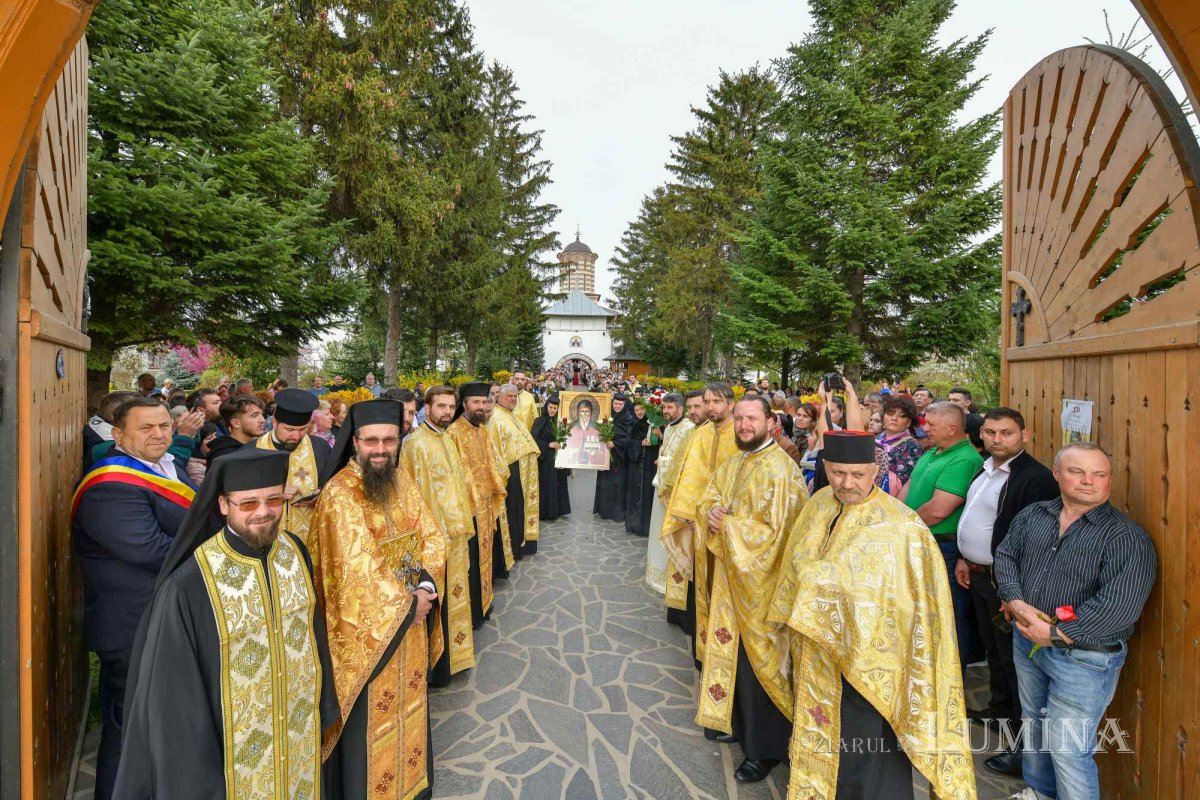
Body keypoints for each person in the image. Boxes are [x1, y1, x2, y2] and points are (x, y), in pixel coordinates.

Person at [113, 448, 339, 799]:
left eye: (274, 500)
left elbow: (313, 632)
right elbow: (173, 694)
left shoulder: (294, 550)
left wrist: (324, 704)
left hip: (297, 735)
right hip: (226, 756)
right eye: (248, 504)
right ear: (223, 505)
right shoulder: (190, 582)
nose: (264, 512)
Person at [768, 431, 977, 800]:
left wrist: (827, 586)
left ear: (874, 471)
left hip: (870, 662)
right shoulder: (818, 504)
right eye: (837, 473)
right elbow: (795, 561)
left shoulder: (902, 526)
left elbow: (912, 605)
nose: (846, 484)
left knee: (867, 750)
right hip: (817, 653)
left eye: (857, 475)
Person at [995, 442, 1156, 800]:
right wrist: (1017, 601)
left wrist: (1054, 632)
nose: (1089, 481)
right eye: (1077, 471)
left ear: (1109, 482)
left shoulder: (1126, 538)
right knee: (1034, 726)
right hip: (1028, 641)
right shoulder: (1034, 514)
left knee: (1069, 749)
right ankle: (1039, 793)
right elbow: (1006, 556)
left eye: (1099, 475)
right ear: (1056, 474)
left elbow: (1119, 607)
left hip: (1084, 658)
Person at [309, 400, 446, 800]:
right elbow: (356, 568)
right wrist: (409, 606)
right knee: (373, 718)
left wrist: (424, 588)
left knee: (411, 705)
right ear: (355, 441)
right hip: (368, 635)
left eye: (389, 440)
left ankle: (411, 786)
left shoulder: (402, 480)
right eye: (372, 441)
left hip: (412, 619)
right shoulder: (339, 494)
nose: (381, 449)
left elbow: (432, 536)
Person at [71, 396, 198, 800]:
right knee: (128, 733)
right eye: (146, 428)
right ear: (119, 434)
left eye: (164, 426)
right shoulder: (108, 486)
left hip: (165, 620)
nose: (159, 434)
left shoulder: (169, 466)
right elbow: (155, 552)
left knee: (161, 726)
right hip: (133, 627)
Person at [695, 396, 808, 782]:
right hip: (732, 581)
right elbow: (711, 494)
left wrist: (728, 526)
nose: (744, 425)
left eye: (751, 418)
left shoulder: (783, 472)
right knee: (737, 659)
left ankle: (765, 750)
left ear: (770, 421)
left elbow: (778, 540)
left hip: (765, 587)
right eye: (740, 418)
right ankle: (740, 727)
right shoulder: (738, 460)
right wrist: (709, 512)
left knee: (761, 665)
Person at [953, 407, 1060, 777]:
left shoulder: (1035, 478)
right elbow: (975, 516)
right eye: (992, 432)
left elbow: (1034, 541)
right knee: (995, 654)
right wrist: (966, 557)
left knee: (1017, 666)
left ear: (1024, 436)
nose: (998, 439)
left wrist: (1012, 590)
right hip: (980, 575)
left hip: (1007, 585)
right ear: (981, 433)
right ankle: (999, 713)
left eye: (1007, 433)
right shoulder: (985, 467)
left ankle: (1022, 748)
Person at [401, 386, 481, 685]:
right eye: (441, 406)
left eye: (451, 406)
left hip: (457, 532)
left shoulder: (446, 439)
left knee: (455, 597)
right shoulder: (416, 445)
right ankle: (436, 669)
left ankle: (455, 658)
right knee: (438, 599)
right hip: (434, 538)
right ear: (427, 407)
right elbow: (412, 496)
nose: (447, 411)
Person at [900, 401, 983, 666]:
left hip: (942, 548)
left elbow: (938, 510)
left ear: (952, 428)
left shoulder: (965, 459)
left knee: (950, 615)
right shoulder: (933, 452)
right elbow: (909, 486)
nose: (925, 430)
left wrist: (898, 526)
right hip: (919, 539)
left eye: (932, 425)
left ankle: (953, 676)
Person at [660, 382, 737, 666]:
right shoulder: (701, 433)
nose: (711, 407)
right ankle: (702, 646)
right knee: (701, 583)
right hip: (698, 521)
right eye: (708, 402)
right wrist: (688, 514)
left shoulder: (739, 436)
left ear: (730, 403)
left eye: (716, 402)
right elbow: (688, 475)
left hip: (727, 527)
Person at [447, 382, 509, 625]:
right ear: (464, 404)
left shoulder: (483, 430)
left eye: (485, 402)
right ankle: (473, 612)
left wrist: (496, 487)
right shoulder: (454, 433)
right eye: (476, 402)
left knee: (486, 554)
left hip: (485, 504)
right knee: (472, 559)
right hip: (468, 507)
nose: (482, 407)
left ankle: (485, 601)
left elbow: (491, 463)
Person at [253, 388, 332, 549]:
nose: (296, 436)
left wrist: (321, 495)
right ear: (275, 422)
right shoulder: (252, 451)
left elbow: (332, 483)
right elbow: (236, 498)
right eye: (289, 430)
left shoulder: (320, 448)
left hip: (310, 541)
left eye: (302, 429)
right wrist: (276, 491)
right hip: (267, 541)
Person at [645, 392, 692, 594]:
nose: (665, 411)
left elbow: (684, 460)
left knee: (667, 530)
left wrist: (663, 463)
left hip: (672, 489)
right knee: (657, 527)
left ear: (680, 409)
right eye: (664, 407)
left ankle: (667, 575)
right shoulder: (671, 426)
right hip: (661, 483)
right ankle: (655, 573)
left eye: (669, 408)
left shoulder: (689, 429)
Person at [490, 383, 541, 558]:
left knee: (520, 509)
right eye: (509, 396)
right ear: (500, 397)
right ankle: (514, 548)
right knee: (513, 511)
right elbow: (495, 450)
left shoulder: (512, 416)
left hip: (521, 472)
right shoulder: (495, 418)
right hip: (510, 474)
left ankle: (523, 542)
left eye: (515, 396)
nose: (513, 399)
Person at [530, 394, 571, 521]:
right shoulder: (539, 421)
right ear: (547, 406)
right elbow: (533, 441)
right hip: (546, 459)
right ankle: (546, 512)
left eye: (555, 408)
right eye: (551, 407)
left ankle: (558, 510)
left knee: (559, 483)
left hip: (559, 458)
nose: (552, 410)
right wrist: (549, 444)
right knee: (547, 484)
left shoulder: (562, 422)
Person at [594, 393, 634, 521]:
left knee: (616, 483)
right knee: (604, 481)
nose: (617, 406)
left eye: (620, 404)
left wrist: (615, 443)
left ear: (624, 405)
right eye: (615, 403)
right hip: (605, 454)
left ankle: (615, 512)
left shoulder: (629, 419)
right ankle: (603, 509)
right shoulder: (607, 416)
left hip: (619, 457)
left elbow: (630, 438)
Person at [623, 400, 659, 536]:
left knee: (647, 493)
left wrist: (657, 438)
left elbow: (660, 442)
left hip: (649, 463)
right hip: (635, 464)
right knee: (634, 493)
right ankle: (633, 525)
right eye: (637, 410)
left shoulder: (654, 423)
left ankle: (645, 526)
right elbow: (627, 442)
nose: (640, 412)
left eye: (642, 409)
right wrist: (640, 443)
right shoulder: (631, 423)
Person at [876, 394, 925, 491]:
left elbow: (902, 484)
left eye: (901, 415)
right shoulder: (876, 438)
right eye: (890, 413)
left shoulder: (912, 447)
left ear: (909, 422)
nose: (894, 418)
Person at [207, 394, 266, 461]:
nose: (263, 420)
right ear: (236, 423)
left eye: (261, 414)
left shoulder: (256, 446)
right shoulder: (226, 457)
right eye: (254, 415)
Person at [563, 398, 606, 466]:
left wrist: (596, 453)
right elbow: (565, 446)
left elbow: (603, 450)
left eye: (587, 411)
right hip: (574, 461)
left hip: (592, 461)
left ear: (591, 412)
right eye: (582, 411)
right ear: (578, 412)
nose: (585, 414)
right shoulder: (571, 427)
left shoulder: (597, 428)